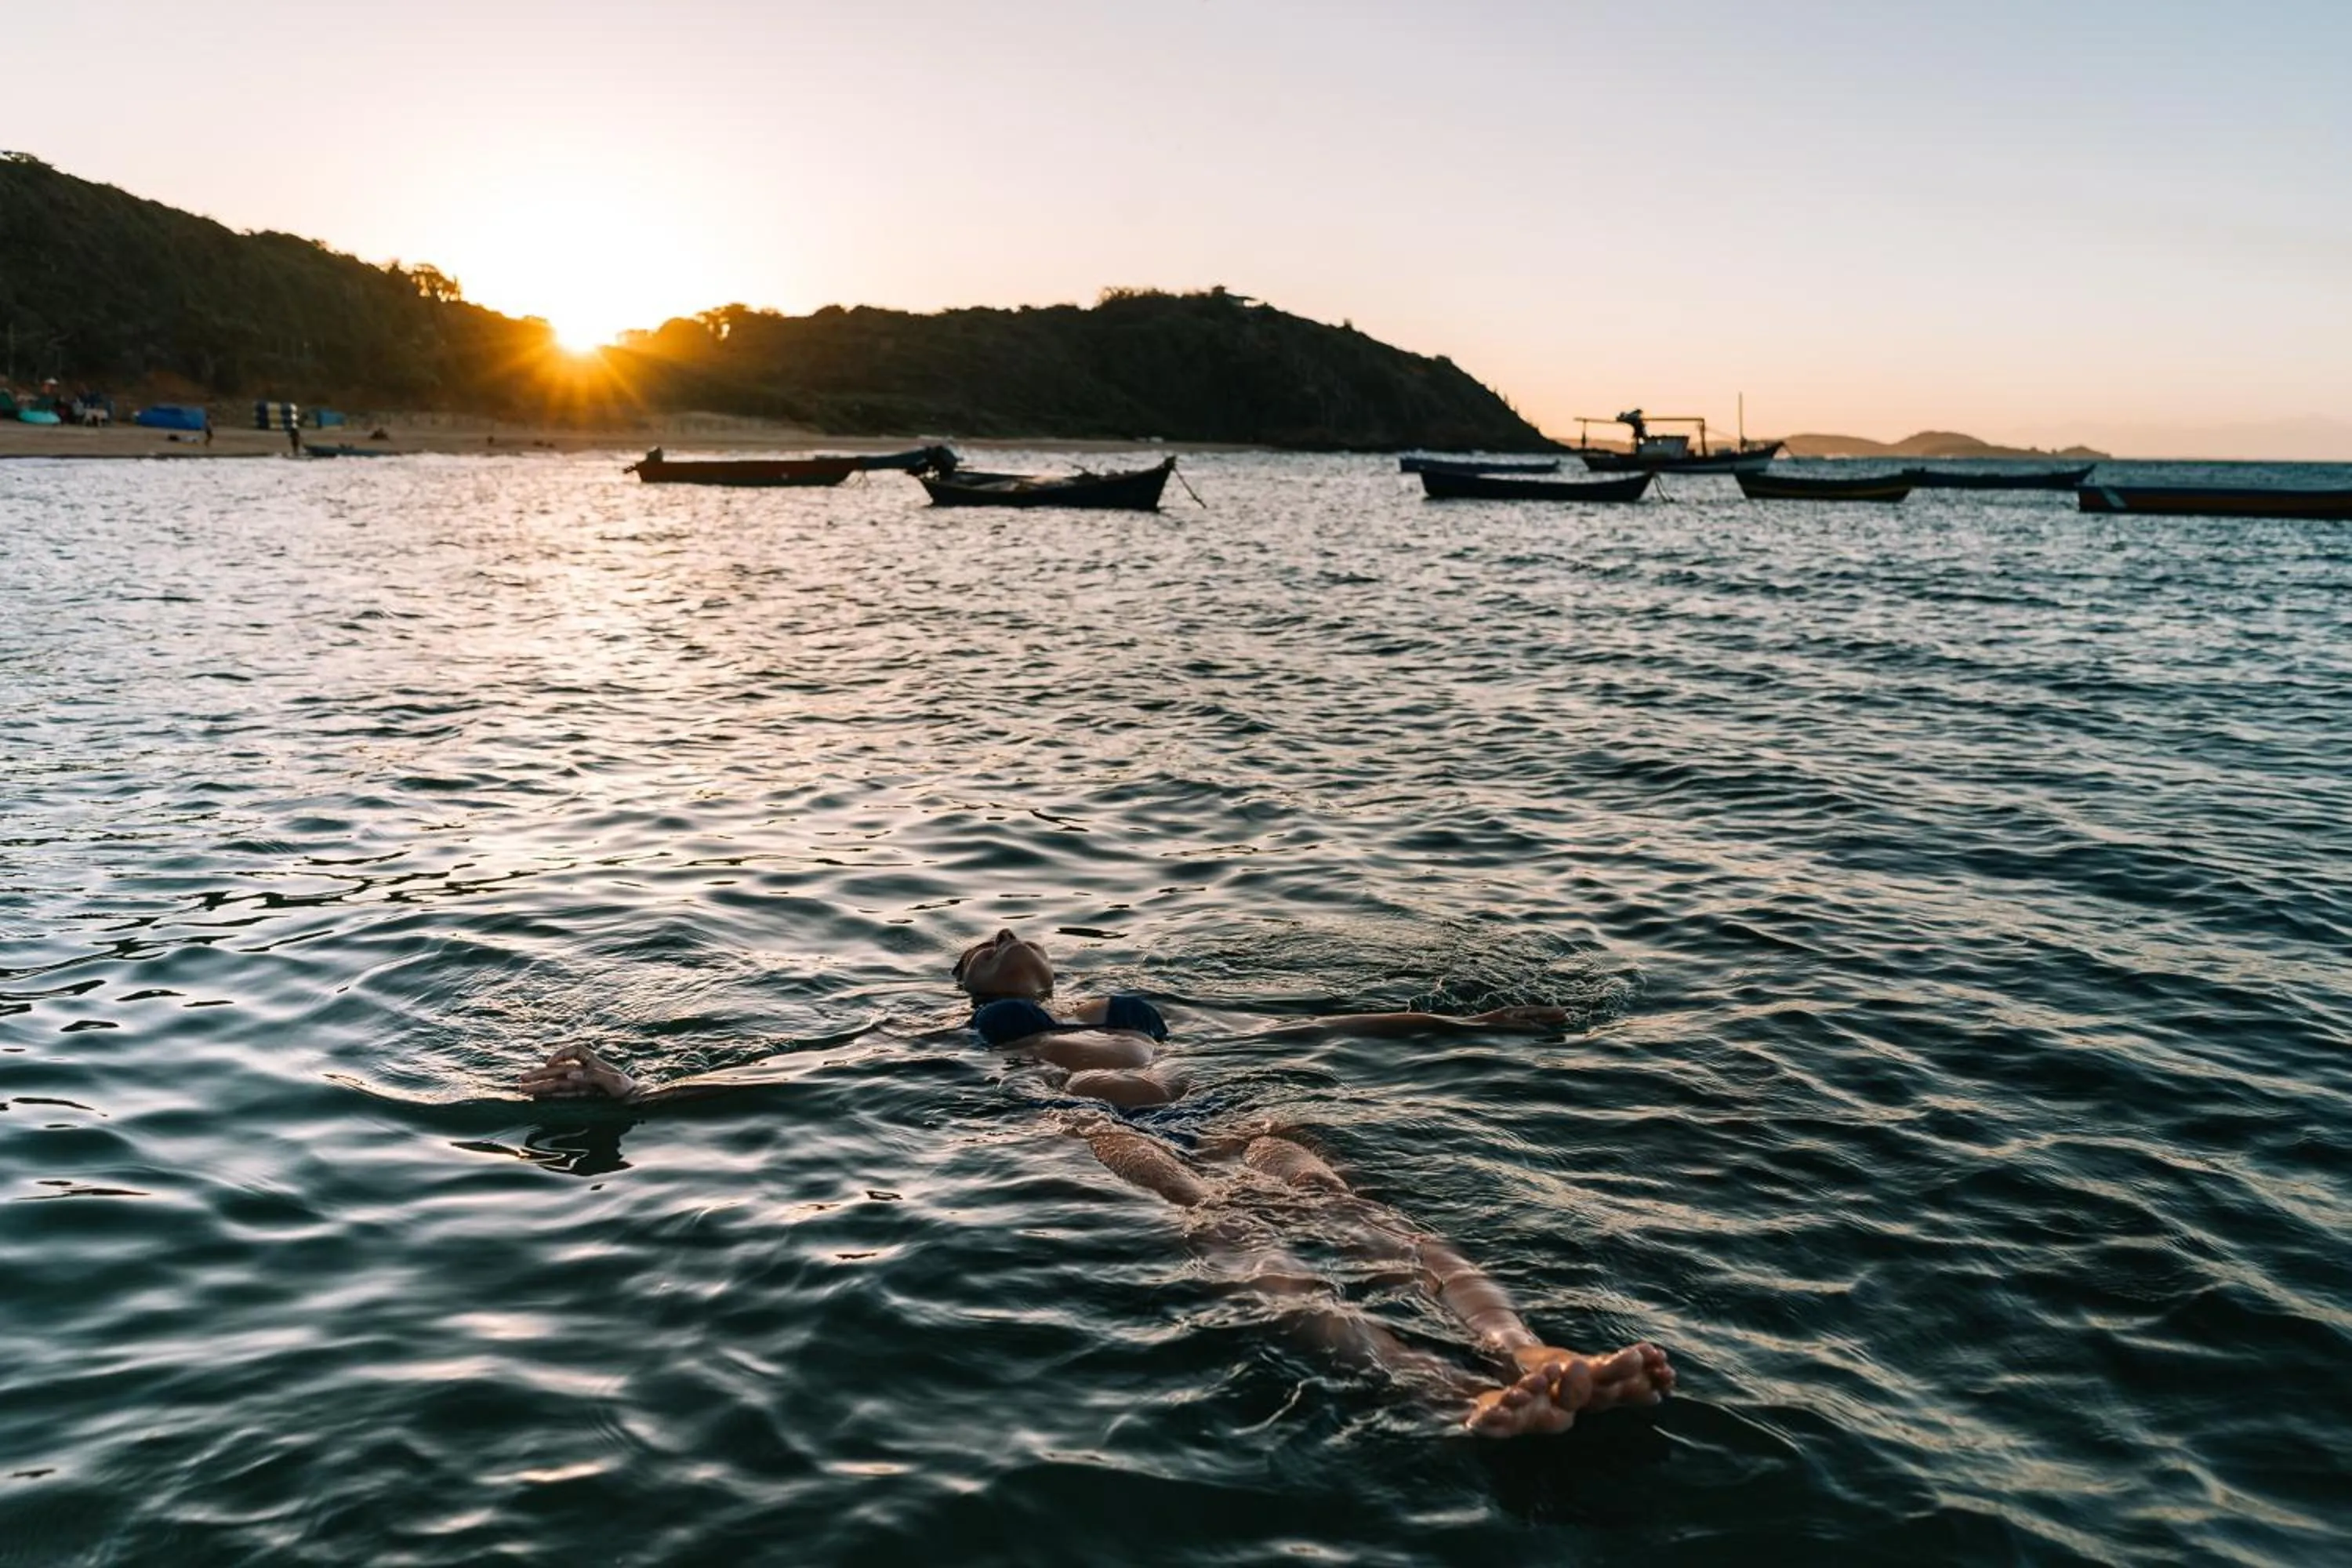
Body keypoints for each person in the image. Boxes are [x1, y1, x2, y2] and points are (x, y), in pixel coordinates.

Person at [523, 928, 1675, 1437]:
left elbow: (1322, 1019)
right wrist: (639, 1099)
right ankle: (1438, 1394)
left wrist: (1472, 1024)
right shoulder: (948, 1028)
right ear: (973, 986)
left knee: (1361, 1214)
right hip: (1071, 1122)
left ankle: (1527, 1354)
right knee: (1213, 1227)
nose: (1001, 936)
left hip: (1219, 1111)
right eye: (978, 949)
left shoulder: (1129, 1005)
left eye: (1012, 937)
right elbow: (818, 1069)